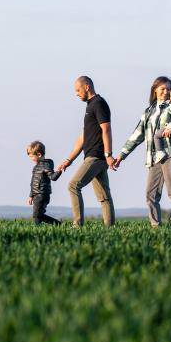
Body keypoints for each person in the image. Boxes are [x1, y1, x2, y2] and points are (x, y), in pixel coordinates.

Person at [114, 76, 171, 229]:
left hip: (170, 153)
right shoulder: (149, 112)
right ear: (155, 90)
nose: (165, 92)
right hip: (154, 157)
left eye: (168, 89)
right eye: (162, 89)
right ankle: (155, 228)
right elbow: (137, 135)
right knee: (151, 195)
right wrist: (121, 155)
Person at [55, 76, 116, 228]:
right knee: (103, 196)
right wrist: (68, 161)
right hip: (92, 156)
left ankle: (77, 226)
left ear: (87, 86)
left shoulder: (99, 103)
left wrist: (108, 155)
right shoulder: (90, 106)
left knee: (73, 185)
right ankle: (110, 228)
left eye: (78, 90)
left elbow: (106, 129)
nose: (76, 93)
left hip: (96, 156)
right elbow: (82, 138)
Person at [26, 141, 62, 225]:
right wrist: (31, 195)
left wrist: (59, 171)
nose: (31, 159)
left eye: (31, 156)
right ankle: (39, 227)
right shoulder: (36, 167)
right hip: (36, 194)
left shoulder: (46, 164)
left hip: (42, 194)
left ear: (39, 155)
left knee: (37, 214)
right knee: (37, 215)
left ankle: (58, 224)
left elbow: (53, 177)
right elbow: (33, 183)